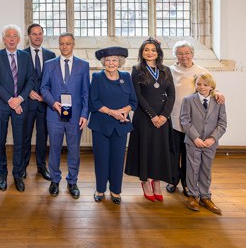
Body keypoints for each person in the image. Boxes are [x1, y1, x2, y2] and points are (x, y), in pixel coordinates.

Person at [167, 40, 225, 196]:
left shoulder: (201, 70)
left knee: (188, 155)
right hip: (173, 117)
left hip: (192, 123)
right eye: (180, 53)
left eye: (187, 53)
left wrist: (218, 92)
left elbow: (210, 87)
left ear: (192, 54)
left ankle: (187, 184)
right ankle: (173, 180)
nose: (184, 56)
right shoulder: (169, 70)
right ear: (175, 55)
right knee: (173, 153)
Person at [124, 38, 175, 202]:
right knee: (145, 149)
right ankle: (145, 182)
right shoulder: (137, 70)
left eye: (153, 50)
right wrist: (152, 115)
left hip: (162, 117)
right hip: (144, 117)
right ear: (142, 52)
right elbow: (138, 96)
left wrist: (164, 116)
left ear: (158, 53)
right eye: (146, 49)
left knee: (160, 151)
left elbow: (172, 95)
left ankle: (157, 183)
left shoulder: (166, 70)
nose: (150, 52)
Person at [40, 32, 90, 199]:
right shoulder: (49, 65)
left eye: (68, 43)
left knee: (74, 150)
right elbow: (44, 88)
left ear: (73, 44)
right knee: (54, 149)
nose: (64, 46)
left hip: (76, 116)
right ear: (58, 45)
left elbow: (85, 92)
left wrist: (84, 114)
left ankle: (72, 181)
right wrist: (53, 103)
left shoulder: (83, 65)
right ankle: (55, 180)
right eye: (61, 43)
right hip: (54, 115)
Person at [89, 47, 137, 204]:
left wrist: (123, 111)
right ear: (103, 62)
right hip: (101, 125)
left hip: (121, 125)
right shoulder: (97, 77)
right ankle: (100, 189)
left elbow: (133, 101)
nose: (111, 63)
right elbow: (93, 102)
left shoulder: (126, 76)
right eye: (108, 60)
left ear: (120, 62)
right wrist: (112, 112)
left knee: (117, 159)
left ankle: (116, 191)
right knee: (101, 158)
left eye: (114, 60)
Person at [0, 24, 34, 192]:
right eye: (8, 36)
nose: (12, 38)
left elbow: (30, 80)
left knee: (20, 141)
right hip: (1, 105)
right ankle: (2, 174)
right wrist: (11, 100)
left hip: (21, 105)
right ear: (3, 39)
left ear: (19, 39)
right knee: (0, 141)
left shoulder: (25, 57)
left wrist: (20, 99)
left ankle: (17, 173)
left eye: (15, 35)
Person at [181, 73, 227, 215]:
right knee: (193, 168)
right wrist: (195, 138)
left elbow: (222, 123)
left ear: (212, 86)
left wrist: (212, 139)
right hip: (194, 141)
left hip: (210, 143)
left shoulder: (218, 101)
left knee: (206, 169)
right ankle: (193, 196)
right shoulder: (188, 100)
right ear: (195, 85)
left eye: (205, 85)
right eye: (199, 84)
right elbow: (185, 121)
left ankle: (205, 196)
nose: (202, 87)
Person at [22, 23, 56, 181]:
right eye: (34, 34)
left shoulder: (51, 55)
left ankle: (42, 167)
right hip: (27, 103)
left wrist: (46, 95)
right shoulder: (21, 54)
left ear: (43, 35)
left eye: (40, 33)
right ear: (29, 36)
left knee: (43, 136)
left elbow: (54, 80)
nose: (37, 37)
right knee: (25, 136)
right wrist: (28, 92)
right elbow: (18, 78)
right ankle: (22, 166)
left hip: (45, 103)